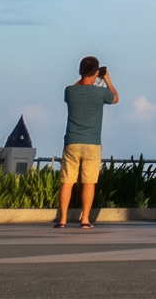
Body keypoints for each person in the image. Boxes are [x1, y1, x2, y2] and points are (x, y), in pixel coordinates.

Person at [56, 56, 118, 229]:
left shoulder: (70, 90)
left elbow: (78, 86)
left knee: (67, 182)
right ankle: (85, 220)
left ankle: (62, 220)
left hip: (72, 141)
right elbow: (115, 98)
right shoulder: (100, 93)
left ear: (79, 71)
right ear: (96, 72)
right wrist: (106, 79)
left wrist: (85, 77)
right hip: (92, 142)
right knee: (89, 182)